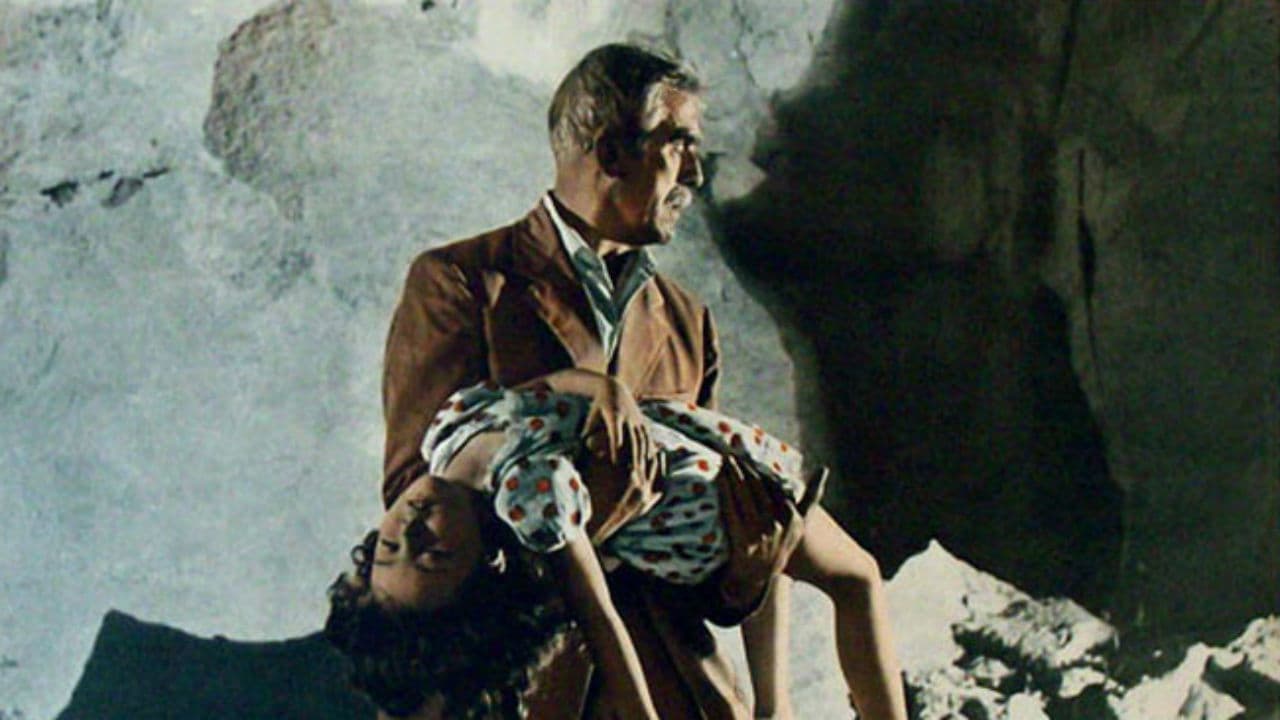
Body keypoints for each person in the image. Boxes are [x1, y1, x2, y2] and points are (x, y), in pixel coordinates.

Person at [377, 42, 851, 718]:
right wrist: (591, 519)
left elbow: (697, 557)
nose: (696, 173)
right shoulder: (462, 281)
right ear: (610, 153)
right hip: (520, 694)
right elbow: (412, 506)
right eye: (679, 144)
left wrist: (745, 575)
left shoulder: (687, 321)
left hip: (684, 694)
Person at [328, 369, 907, 720]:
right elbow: (599, 617)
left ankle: (776, 707)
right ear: (488, 558)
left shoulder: (449, 431)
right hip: (693, 509)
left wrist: (606, 390)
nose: (409, 527)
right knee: (854, 576)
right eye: (432, 553)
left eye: (388, 547)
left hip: (688, 444)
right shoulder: (529, 496)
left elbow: (543, 387)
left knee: (854, 576)